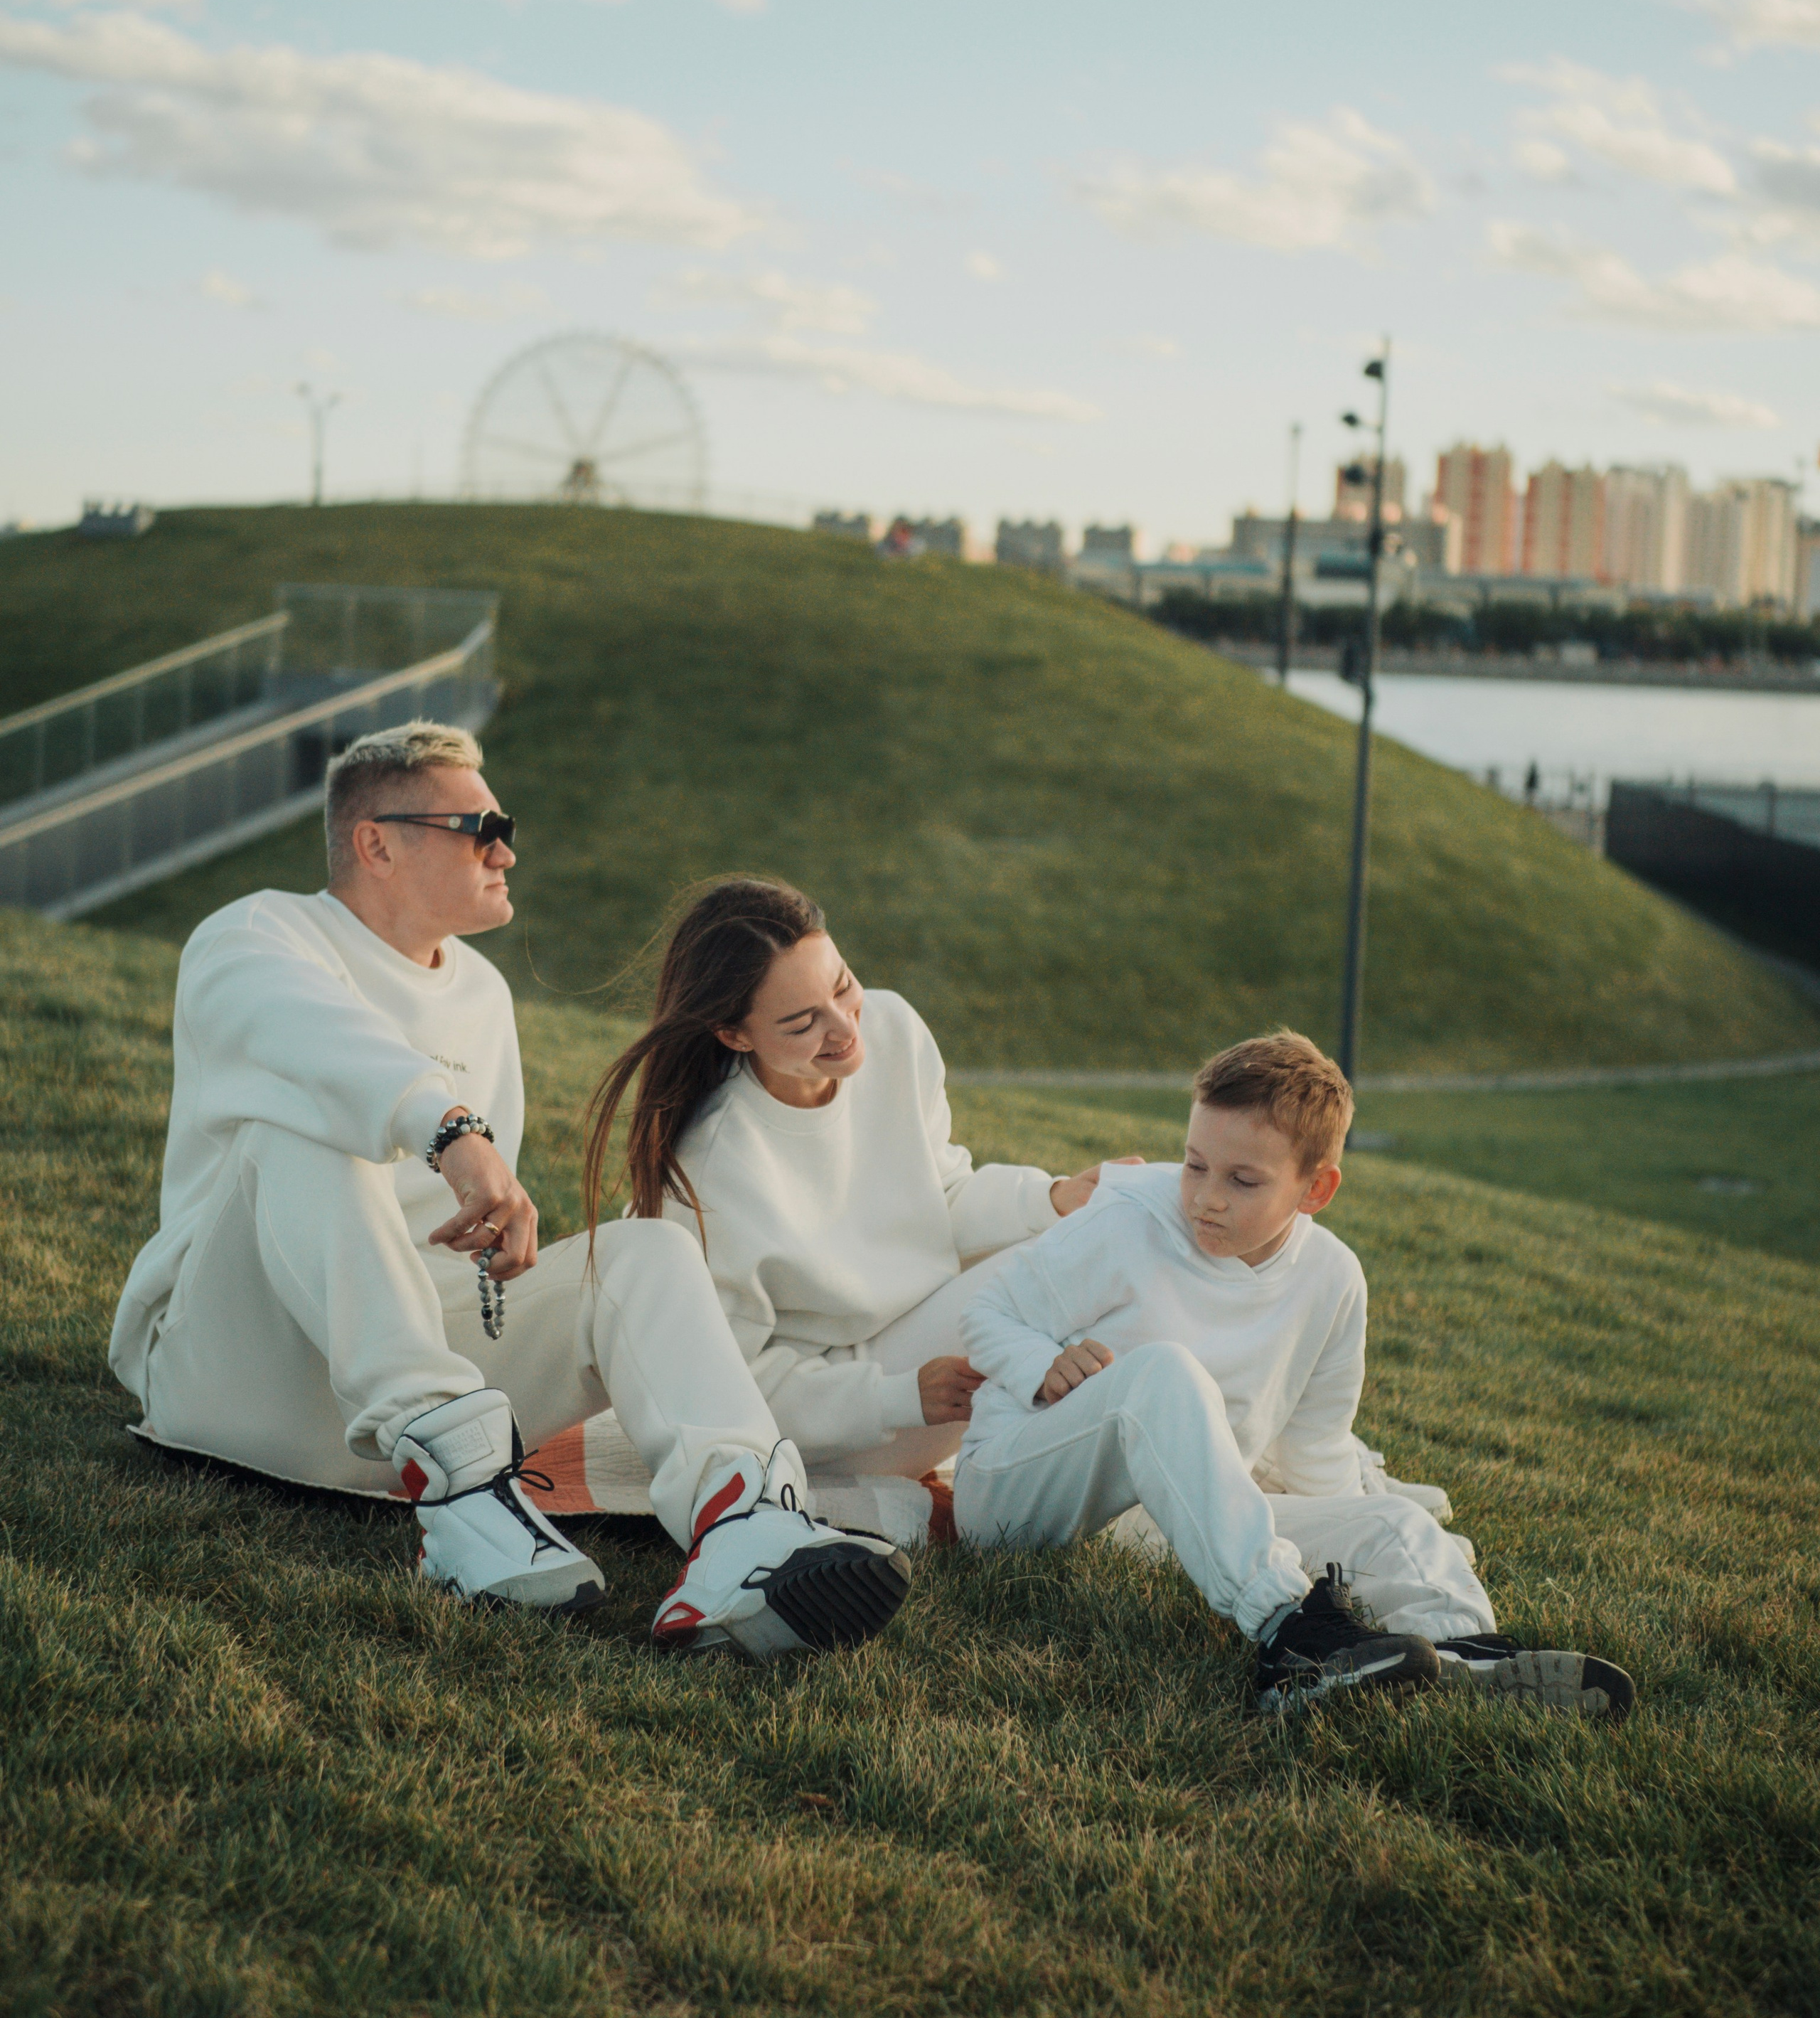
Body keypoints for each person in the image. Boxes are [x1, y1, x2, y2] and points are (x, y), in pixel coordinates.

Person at [109, 721, 909, 1660]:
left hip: (410, 1398)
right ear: (377, 842)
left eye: (505, 824)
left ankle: (742, 1523)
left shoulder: (484, 996)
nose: (506, 848)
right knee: (301, 1123)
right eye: (478, 825)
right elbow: (310, 1040)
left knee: (643, 1250)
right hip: (241, 1374)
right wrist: (453, 1132)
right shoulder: (256, 935)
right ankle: (463, 1491)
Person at [954, 1032, 1637, 1718]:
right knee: (1162, 1371)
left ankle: (1465, 1652)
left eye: (1242, 1180)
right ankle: (1289, 1633)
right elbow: (985, 1309)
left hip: (1179, 1518)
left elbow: (1314, 1454)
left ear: (1317, 1188)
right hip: (1020, 1489)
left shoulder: (1333, 1276)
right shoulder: (1129, 1218)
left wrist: (1358, 1512)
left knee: (1395, 1524)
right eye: (1195, 1165)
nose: (1205, 1199)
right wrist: (1039, 1365)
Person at [583, 877, 1123, 1484]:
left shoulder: (891, 1027)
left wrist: (1054, 1197)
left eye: (842, 986)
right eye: (803, 1022)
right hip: (843, 1422)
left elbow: (940, 1191)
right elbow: (726, 1386)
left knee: (1106, 1226)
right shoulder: (712, 1169)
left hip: (915, 1341)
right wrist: (895, 1397)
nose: (844, 1028)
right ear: (735, 1034)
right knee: (1090, 1261)